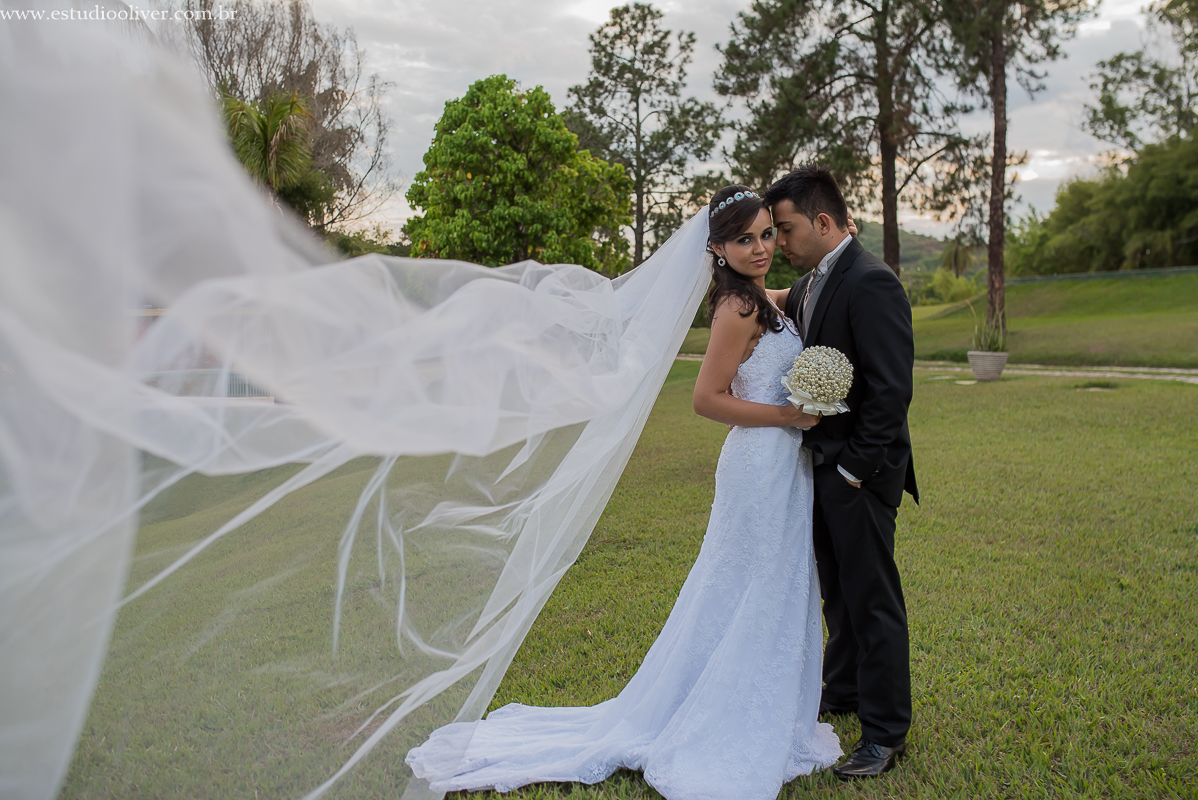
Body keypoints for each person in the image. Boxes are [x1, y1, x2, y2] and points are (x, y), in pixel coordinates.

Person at [404, 186, 844, 799]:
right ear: (716, 248)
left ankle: (761, 703)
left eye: (768, 233)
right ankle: (727, 716)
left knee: (765, 580)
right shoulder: (735, 311)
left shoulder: (757, 300)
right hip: (759, 459)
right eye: (744, 239)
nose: (762, 247)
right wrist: (789, 418)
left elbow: (799, 299)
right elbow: (706, 400)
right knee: (756, 580)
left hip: (779, 466)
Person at [765, 164, 919, 779]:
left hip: (859, 472)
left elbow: (889, 393)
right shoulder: (809, 284)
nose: (779, 242)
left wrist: (853, 472)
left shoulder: (871, 283)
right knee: (839, 594)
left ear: (823, 222)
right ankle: (845, 690)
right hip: (821, 468)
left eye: (785, 229)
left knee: (872, 599)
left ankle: (885, 732)